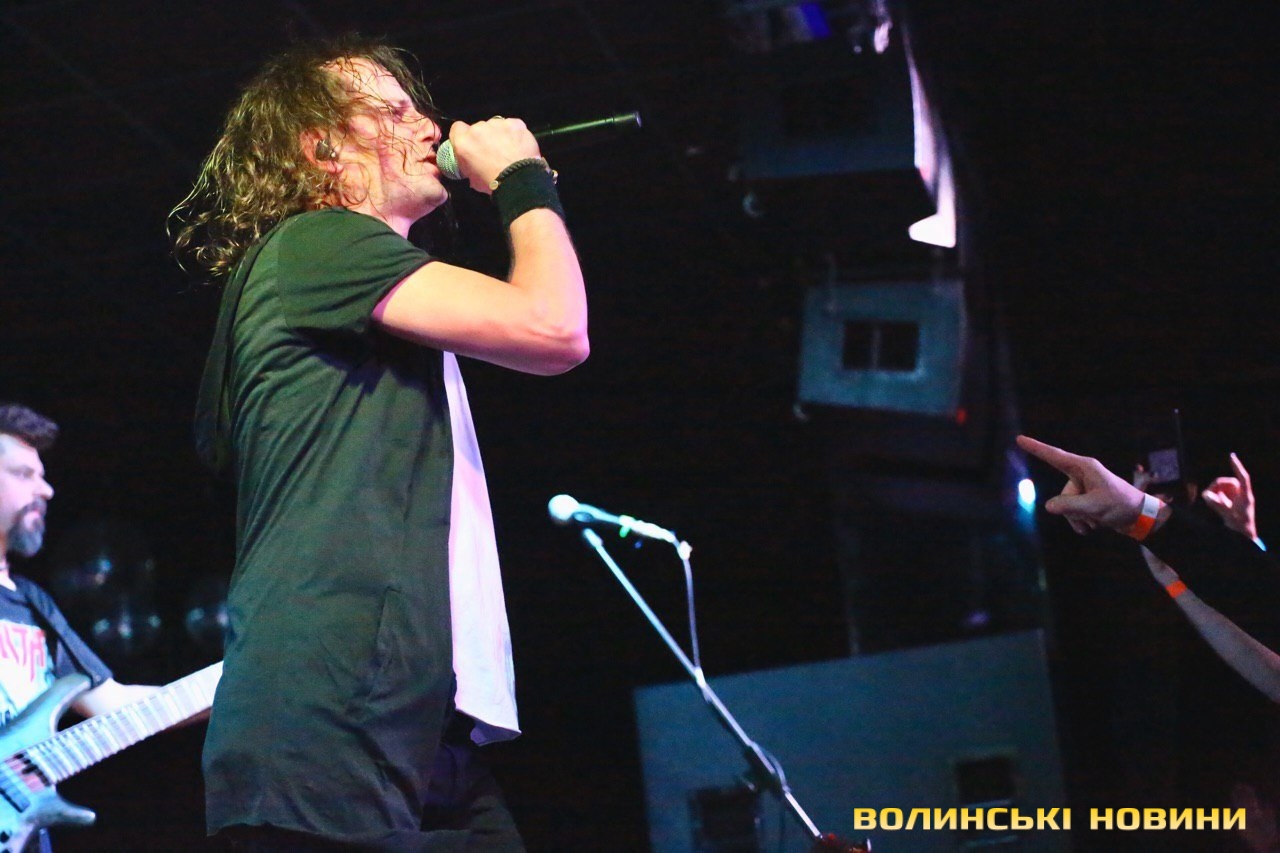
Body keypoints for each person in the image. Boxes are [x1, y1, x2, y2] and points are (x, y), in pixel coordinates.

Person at [169, 35, 588, 850]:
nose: (429, 126)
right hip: (329, 708)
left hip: (411, 714)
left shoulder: (361, 288)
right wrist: (521, 178)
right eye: (392, 111)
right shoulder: (318, 242)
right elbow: (554, 329)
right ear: (321, 149)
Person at [0, 403, 161, 850]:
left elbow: (113, 705)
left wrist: (239, 686)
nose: (46, 490)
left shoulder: (32, 603)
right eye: (24, 474)